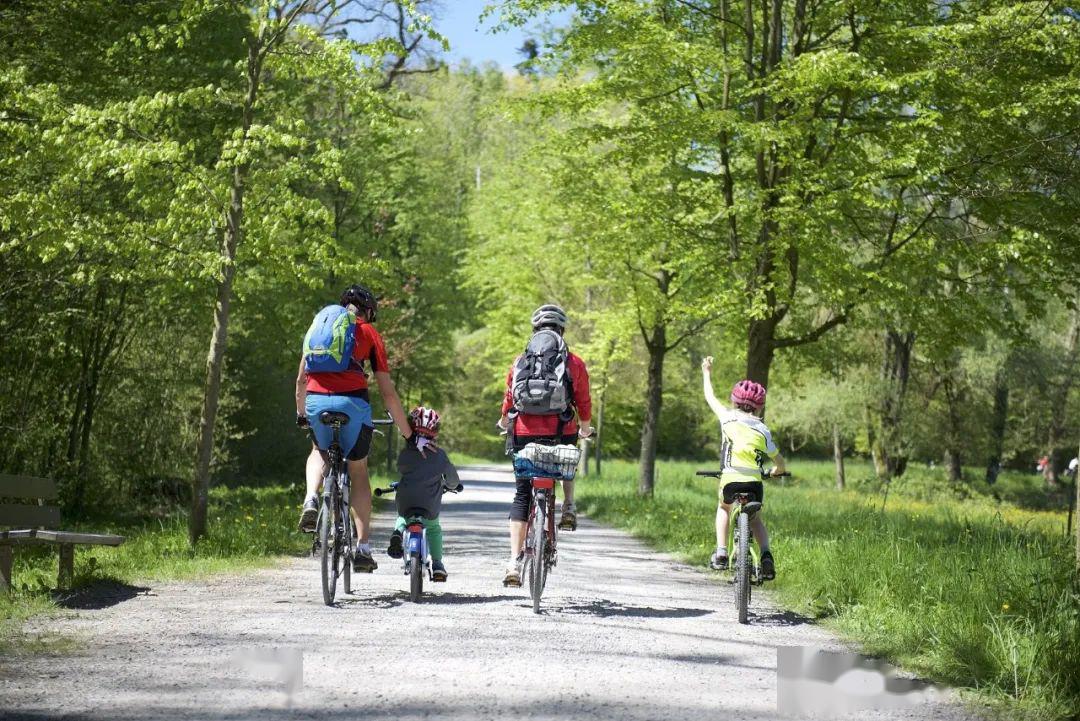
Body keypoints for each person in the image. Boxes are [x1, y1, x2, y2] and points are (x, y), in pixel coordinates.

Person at [294, 284, 419, 573]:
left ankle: (311, 497)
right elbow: (387, 392)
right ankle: (362, 547)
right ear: (369, 311)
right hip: (353, 405)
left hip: (316, 402)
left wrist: (302, 414)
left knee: (318, 450)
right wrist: (407, 433)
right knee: (358, 468)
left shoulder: (318, 328)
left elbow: (301, 379)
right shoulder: (369, 334)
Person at [498, 304, 592, 587]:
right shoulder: (574, 362)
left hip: (524, 431)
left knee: (522, 494)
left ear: (535, 330)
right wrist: (585, 427)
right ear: (562, 330)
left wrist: (504, 421)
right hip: (561, 430)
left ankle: (514, 562)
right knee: (566, 462)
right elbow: (583, 400)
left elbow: (509, 398)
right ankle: (569, 507)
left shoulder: (519, 361)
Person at [700, 356, 784, 581]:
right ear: (759, 407)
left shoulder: (726, 418)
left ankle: (721, 552)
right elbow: (778, 461)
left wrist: (707, 371)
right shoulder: (763, 429)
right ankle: (766, 555)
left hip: (730, 480)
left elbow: (709, 396)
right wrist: (777, 471)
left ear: (734, 401)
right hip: (754, 483)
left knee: (724, 508)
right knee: (755, 519)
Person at [386, 406, 461, 581]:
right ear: (435, 433)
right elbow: (453, 481)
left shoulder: (405, 454)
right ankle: (437, 565)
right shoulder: (440, 456)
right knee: (434, 528)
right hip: (429, 504)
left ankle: (398, 532)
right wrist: (450, 485)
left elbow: (403, 469)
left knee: (403, 517)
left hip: (406, 500)